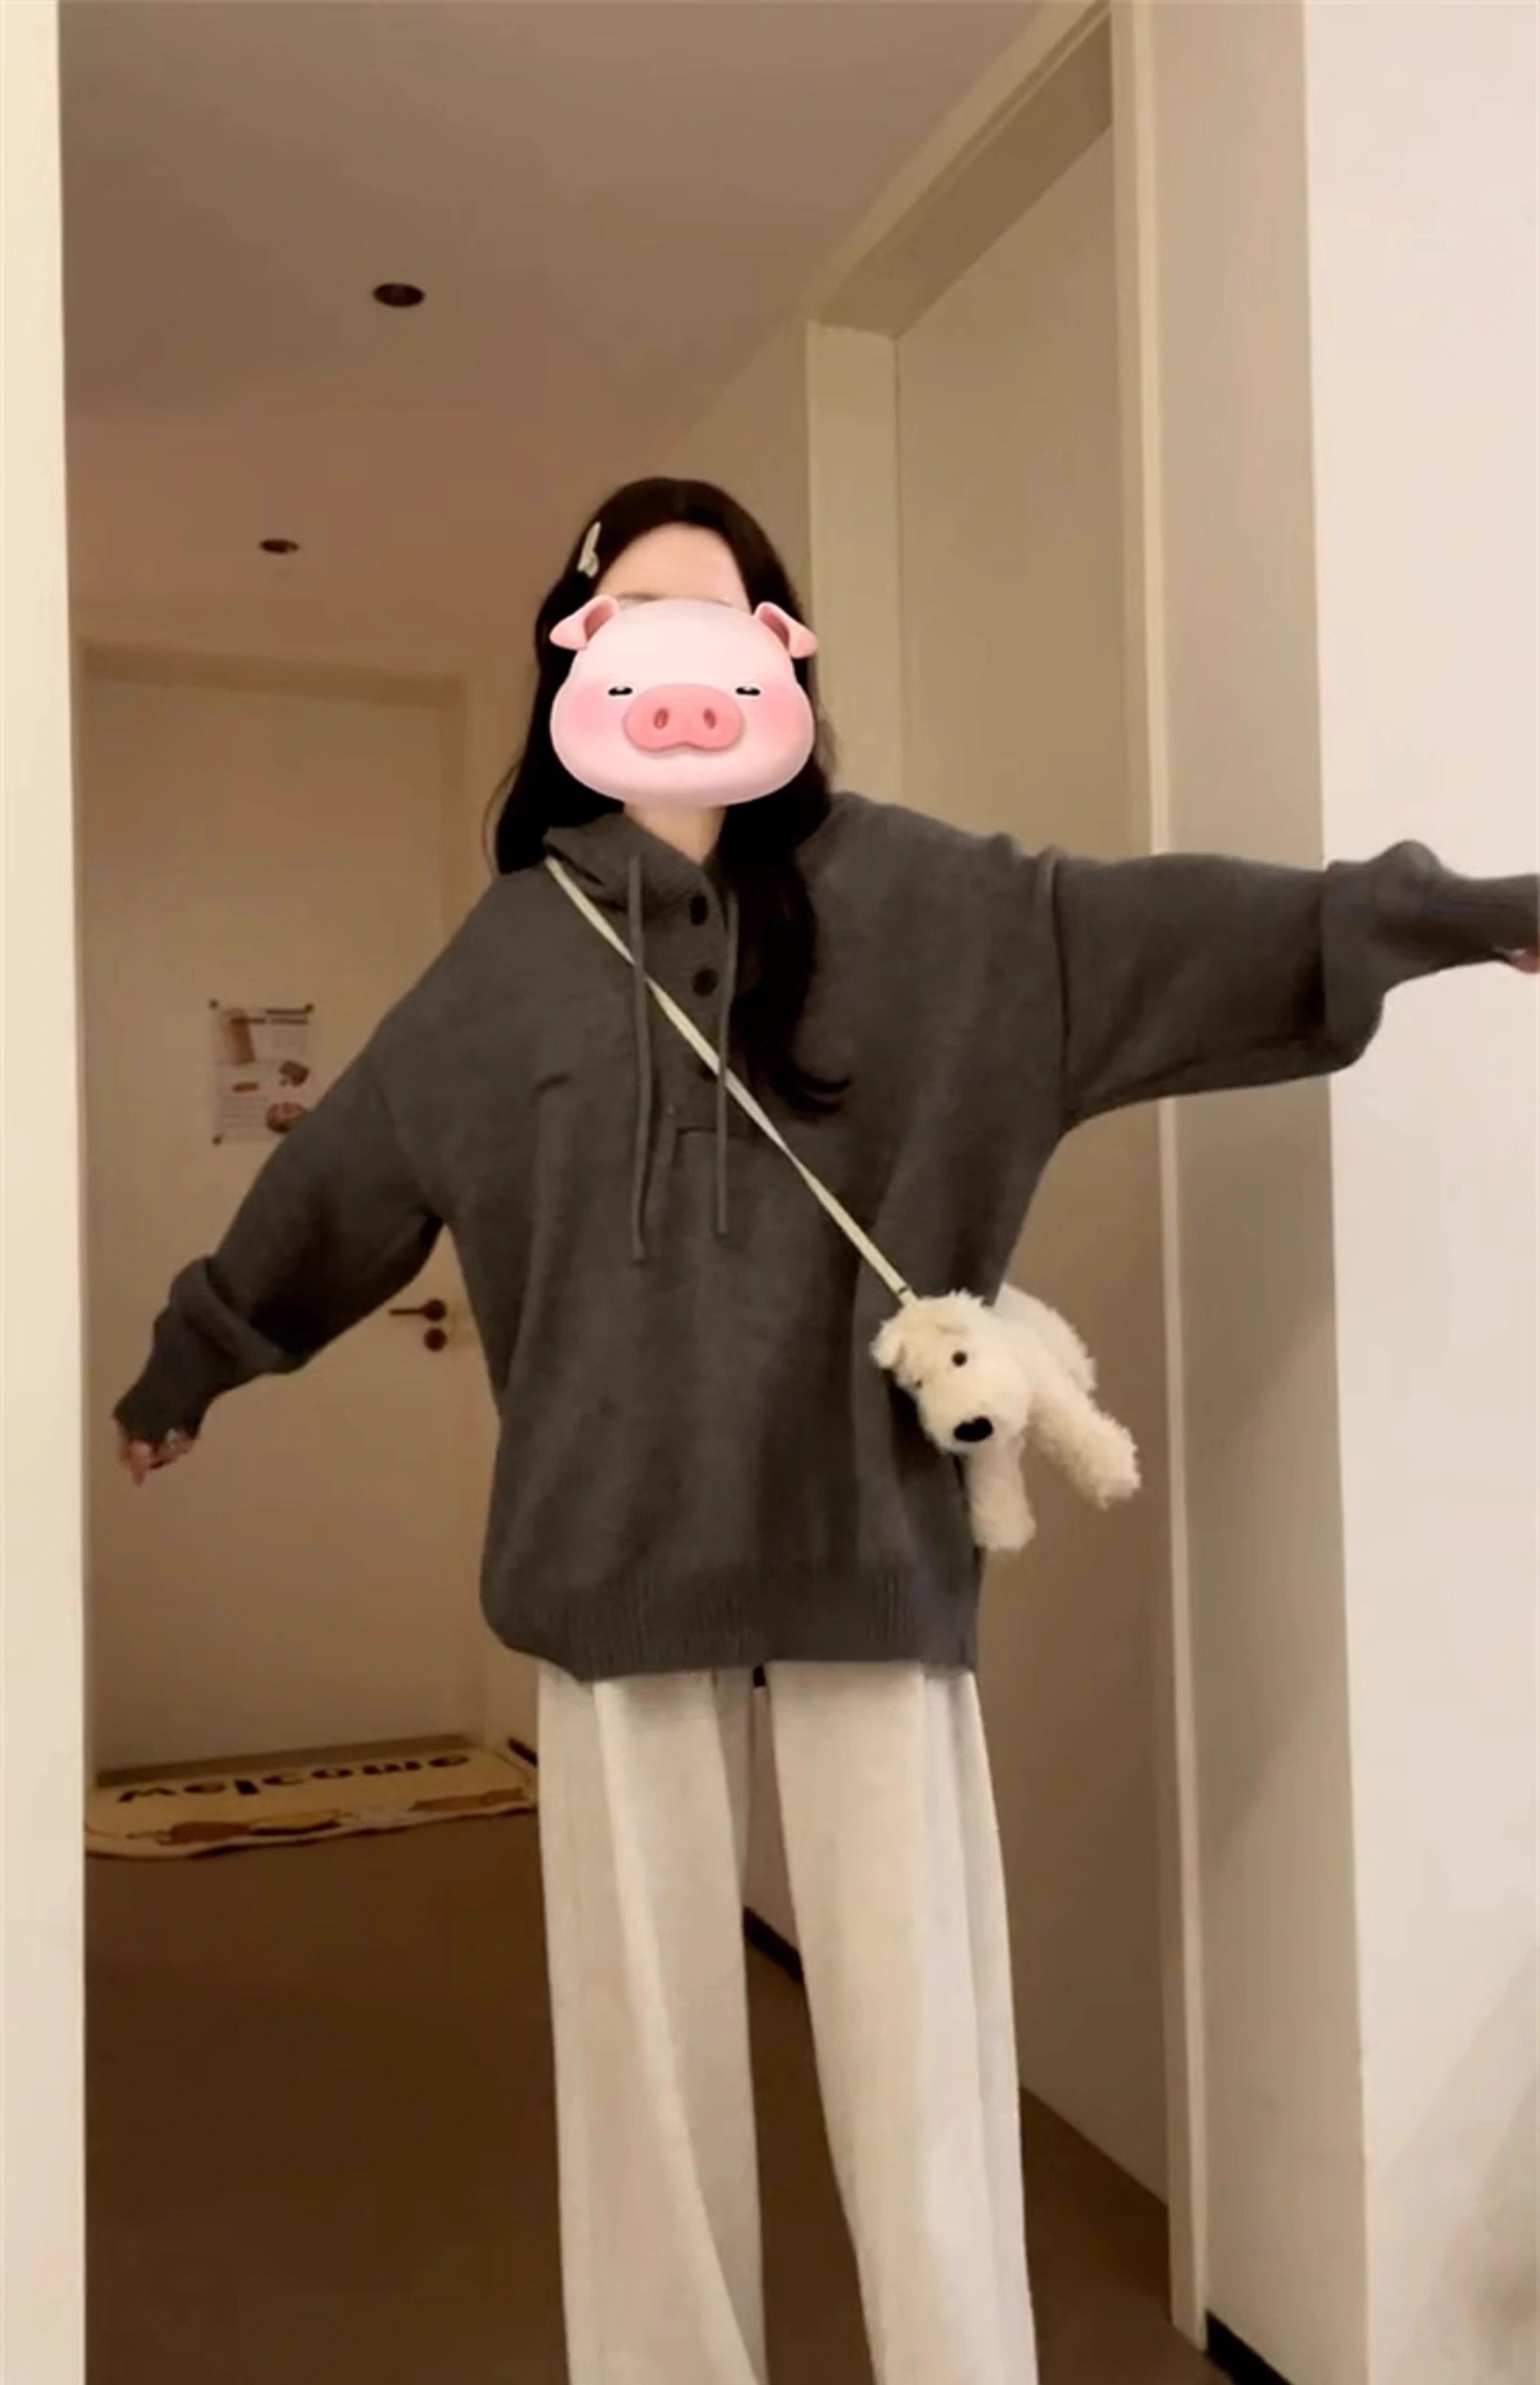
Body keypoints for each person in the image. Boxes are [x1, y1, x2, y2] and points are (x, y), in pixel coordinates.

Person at [116, 477, 1539, 2385]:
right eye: (634, 615)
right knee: (641, 2061)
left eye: (713, 615)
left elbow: (1176, 928)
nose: (675, 653)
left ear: (778, 652)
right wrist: (194, 1362)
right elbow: (347, 1180)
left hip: (866, 1536)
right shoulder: (511, 958)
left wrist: (1455, 915)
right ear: (576, 656)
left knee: (922, 2046)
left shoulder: (941, 906)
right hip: (604, 1552)